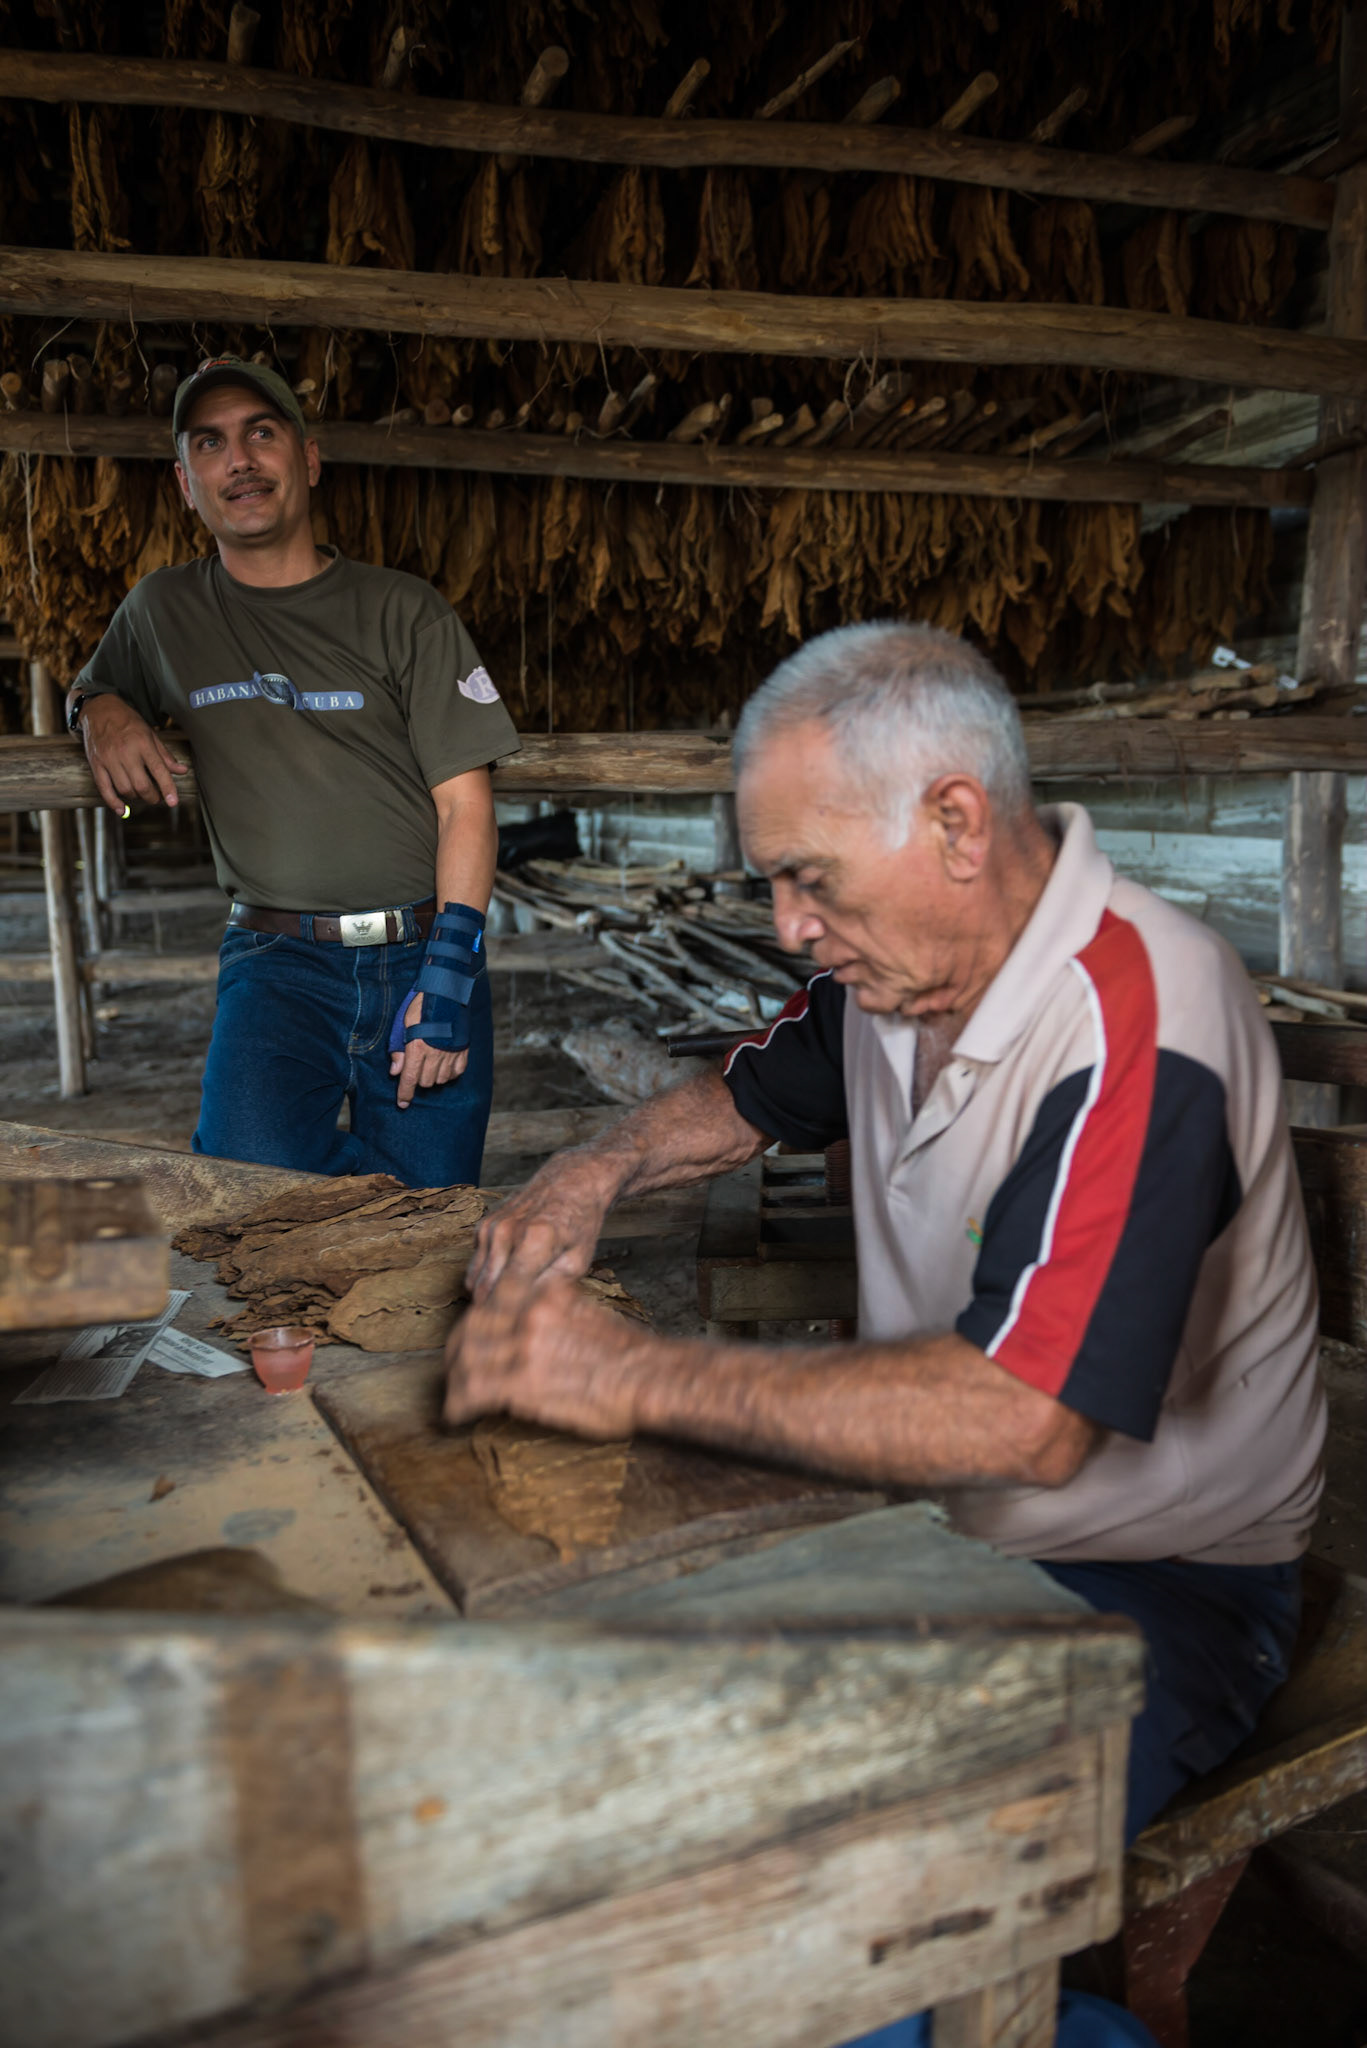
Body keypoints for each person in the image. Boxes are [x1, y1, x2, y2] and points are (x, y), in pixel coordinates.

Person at [446, 619, 1326, 1853]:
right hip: (927, 1522)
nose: (787, 923)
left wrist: (627, 1373)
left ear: (955, 823)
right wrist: (592, 1168)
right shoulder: (893, 975)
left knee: (851, 1861)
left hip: (1153, 1574)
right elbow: (740, 1097)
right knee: (586, 1727)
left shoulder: (1143, 1013)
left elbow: (1027, 1418)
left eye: (809, 875)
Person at [66, 355, 519, 1188]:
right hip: (275, 963)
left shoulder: (403, 610)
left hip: (425, 951)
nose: (239, 460)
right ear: (185, 484)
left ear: (307, 460)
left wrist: (450, 975)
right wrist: (98, 710)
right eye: (210, 444)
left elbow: (465, 807)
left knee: (427, 1218)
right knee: (242, 1198)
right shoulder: (163, 610)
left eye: (261, 433)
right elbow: (94, 685)